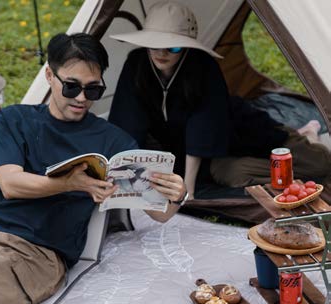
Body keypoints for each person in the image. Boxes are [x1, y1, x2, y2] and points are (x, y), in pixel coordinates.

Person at [0, 32, 186, 304]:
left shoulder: (114, 142)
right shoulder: (17, 118)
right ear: (49, 75)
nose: (81, 97)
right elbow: (11, 183)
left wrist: (176, 195)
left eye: (93, 89)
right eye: (72, 86)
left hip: (34, 254)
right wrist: (70, 183)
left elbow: (158, 214)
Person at [109, 1, 331, 200]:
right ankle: (303, 136)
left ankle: (307, 135)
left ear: (186, 47)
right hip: (213, 157)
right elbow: (127, 122)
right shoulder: (137, 65)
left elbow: (202, 129)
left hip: (246, 133)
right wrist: (124, 182)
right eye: (154, 44)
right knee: (232, 175)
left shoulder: (203, 66)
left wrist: (189, 190)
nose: (161, 53)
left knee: (320, 164)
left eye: (172, 47)